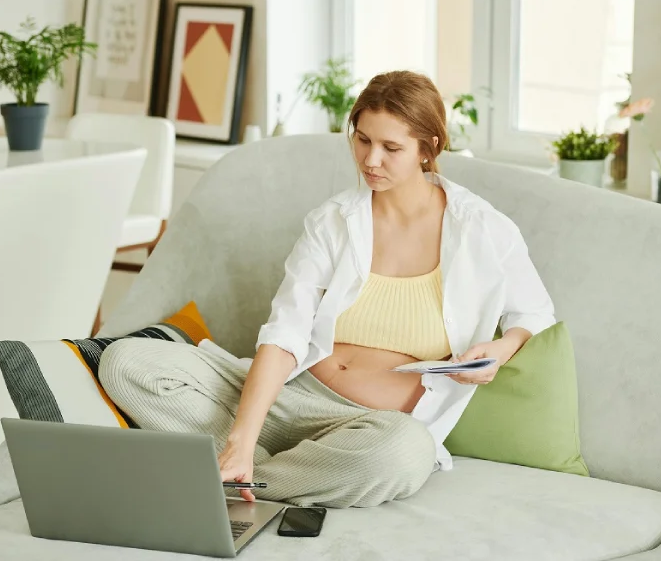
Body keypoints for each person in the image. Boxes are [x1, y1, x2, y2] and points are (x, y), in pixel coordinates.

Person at [98, 70, 555, 509]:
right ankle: (249, 464)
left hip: (373, 428)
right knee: (125, 362)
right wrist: (243, 436)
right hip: (290, 398)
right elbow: (285, 334)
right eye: (362, 140)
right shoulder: (333, 221)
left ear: (428, 147)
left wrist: (500, 350)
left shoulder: (483, 228)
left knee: (404, 455)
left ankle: (246, 479)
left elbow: (534, 314)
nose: (370, 160)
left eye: (390, 147)